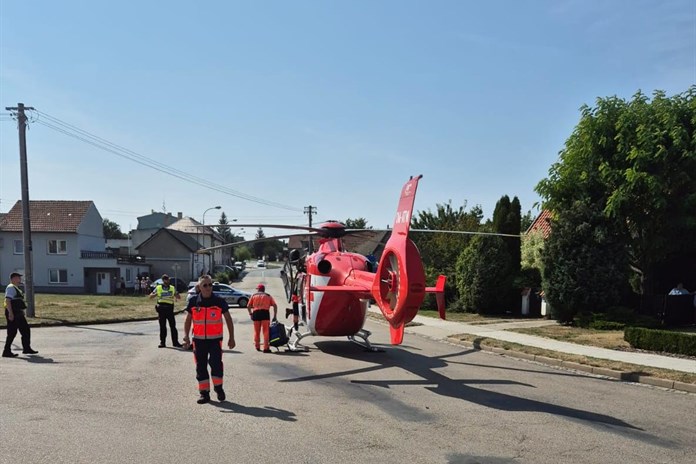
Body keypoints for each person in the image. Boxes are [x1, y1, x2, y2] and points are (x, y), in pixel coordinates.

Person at [182, 275, 235, 404]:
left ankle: (218, 388)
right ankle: (204, 394)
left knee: (216, 364)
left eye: (210, 285)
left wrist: (231, 338)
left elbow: (228, 319)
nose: (208, 287)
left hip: (215, 340)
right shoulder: (194, 301)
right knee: (201, 366)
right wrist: (186, 336)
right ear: (199, 287)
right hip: (198, 340)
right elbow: (188, 320)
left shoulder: (219, 301)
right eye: (205, 285)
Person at [3, 272, 38, 357]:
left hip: (17, 312)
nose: (20, 279)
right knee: (24, 330)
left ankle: (8, 351)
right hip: (14, 312)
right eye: (18, 278)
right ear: (14, 279)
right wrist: (10, 313)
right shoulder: (11, 287)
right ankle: (24, 348)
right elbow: (8, 301)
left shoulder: (15, 288)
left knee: (14, 331)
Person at [149, 274, 182, 348]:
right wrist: (156, 294)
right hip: (161, 309)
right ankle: (162, 343)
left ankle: (175, 342)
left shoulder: (172, 288)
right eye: (166, 279)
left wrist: (176, 295)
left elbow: (179, 297)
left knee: (173, 326)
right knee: (162, 327)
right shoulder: (158, 287)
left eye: (168, 279)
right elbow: (150, 296)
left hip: (170, 309)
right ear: (163, 280)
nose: (167, 280)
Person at [247, 283, 278, 353]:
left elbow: (248, 305)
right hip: (265, 314)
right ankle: (266, 348)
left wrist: (250, 314)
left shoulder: (253, 296)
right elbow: (275, 305)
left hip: (256, 314)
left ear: (258, 289)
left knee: (256, 331)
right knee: (266, 332)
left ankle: (257, 346)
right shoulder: (268, 296)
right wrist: (275, 316)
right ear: (263, 290)